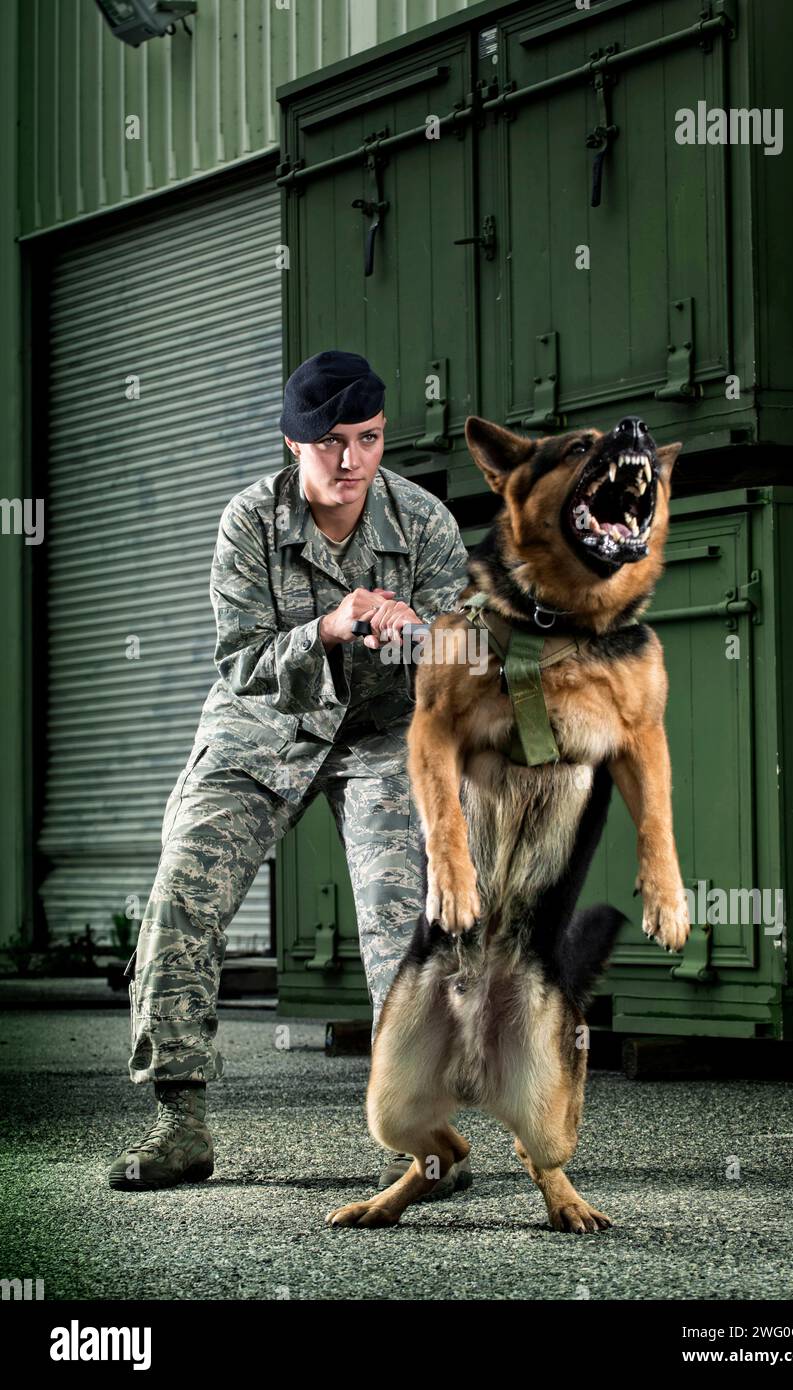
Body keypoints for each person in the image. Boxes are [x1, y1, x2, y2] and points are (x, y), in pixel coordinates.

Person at [108, 350, 470, 1196]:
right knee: (179, 899)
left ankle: (416, 1127)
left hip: (381, 736)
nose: (351, 462)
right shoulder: (248, 522)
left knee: (402, 927)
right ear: (292, 442)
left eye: (370, 439)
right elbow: (239, 663)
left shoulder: (422, 524)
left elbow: (475, 652)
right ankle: (179, 1120)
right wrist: (333, 630)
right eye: (331, 443)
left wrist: (425, 638)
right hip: (262, 729)